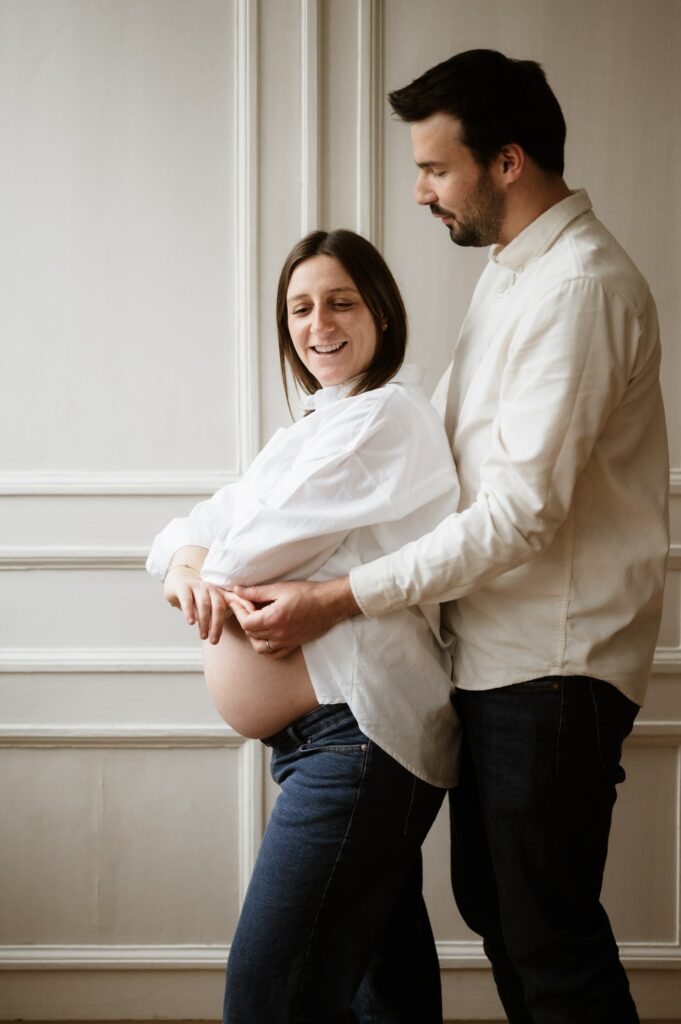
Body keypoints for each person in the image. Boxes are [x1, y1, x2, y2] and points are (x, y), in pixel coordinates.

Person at [231, 51, 670, 1023]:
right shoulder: (516, 282)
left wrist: (340, 595)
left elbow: (521, 513)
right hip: (500, 664)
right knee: (509, 922)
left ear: (505, 161)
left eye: (436, 167)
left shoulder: (579, 288)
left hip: (551, 666)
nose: (423, 191)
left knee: (547, 941)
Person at [146, 229, 462, 1023]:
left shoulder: (388, 418)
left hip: (356, 744)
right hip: (322, 746)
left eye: (340, 302)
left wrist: (201, 562)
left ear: (381, 314)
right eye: (299, 307)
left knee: (268, 998)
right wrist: (185, 560)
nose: (317, 323)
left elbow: (241, 552)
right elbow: (195, 526)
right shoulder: (307, 432)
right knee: (382, 998)